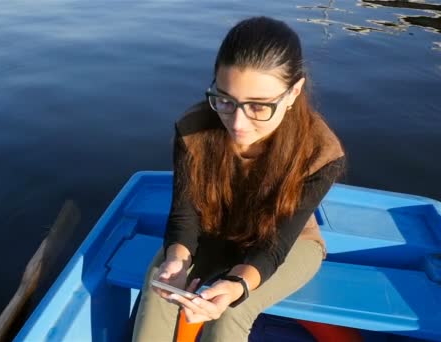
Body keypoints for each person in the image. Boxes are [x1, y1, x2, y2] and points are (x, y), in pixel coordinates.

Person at [132, 16, 346, 341]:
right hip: (215, 232)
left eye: (259, 107)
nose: (238, 123)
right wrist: (176, 258)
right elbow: (184, 215)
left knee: (231, 313)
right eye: (225, 100)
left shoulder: (320, 152)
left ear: (293, 92)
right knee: (161, 281)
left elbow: (276, 245)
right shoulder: (193, 130)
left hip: (289, 242)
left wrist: (236, 285)